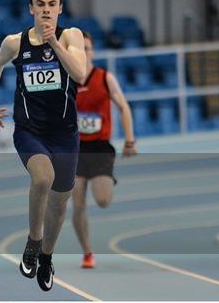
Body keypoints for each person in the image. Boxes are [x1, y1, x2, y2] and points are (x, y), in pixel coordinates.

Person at [0, 0, 86, 291]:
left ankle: (48, 257)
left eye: (52, 5)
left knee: (60, 203)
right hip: (30, 131)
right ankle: (33, 242)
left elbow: (79, 73)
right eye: (40, 4)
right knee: (42, 178)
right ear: (31, 8)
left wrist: (53, 42)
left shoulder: (71, 37)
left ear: (60, 8)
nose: (46, 11)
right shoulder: (15, 42)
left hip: (65, 134)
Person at [72, 31, 137, 269]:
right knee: (77, 204)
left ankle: (105, 178)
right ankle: (87, 252)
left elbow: (124, 107)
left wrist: (129, 140)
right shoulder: (66, 80)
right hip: (74, 150)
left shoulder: (105, 78)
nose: (84, 53)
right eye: (79, 49)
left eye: (87, 48)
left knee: (102, 200)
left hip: (99, 148)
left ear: (93, 52)